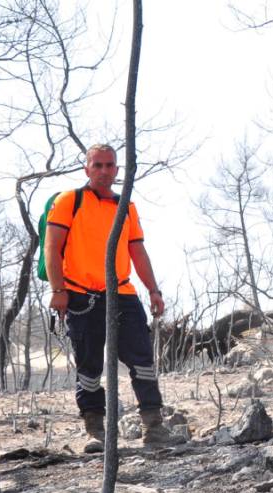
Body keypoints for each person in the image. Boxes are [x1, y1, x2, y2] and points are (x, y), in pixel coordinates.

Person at [45, 143, 180, 452]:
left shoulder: (126, 206)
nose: (104, 171)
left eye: (109, 165)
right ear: (87, 169)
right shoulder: (70, 200)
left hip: (122, 293)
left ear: (118, 170)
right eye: (97, 165)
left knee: (142, 359)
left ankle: (154, 427)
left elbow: (137, 250)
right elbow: (52, 247)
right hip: (80, 295)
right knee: (89, 366)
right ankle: (95, 431)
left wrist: (153, 290)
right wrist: (58, 290)